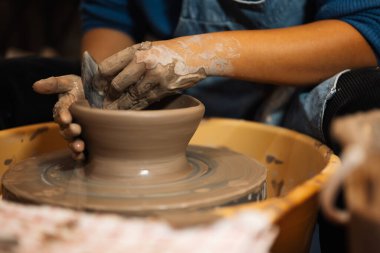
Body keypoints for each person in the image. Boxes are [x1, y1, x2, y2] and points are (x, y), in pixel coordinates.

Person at [10, 1, 380, 252]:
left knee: (371, 111)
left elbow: (368, 27)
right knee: (10, 83)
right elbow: (110, 16)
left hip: (289, 95)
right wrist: (99, 95)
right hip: (151, 99)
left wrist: (198, 54)